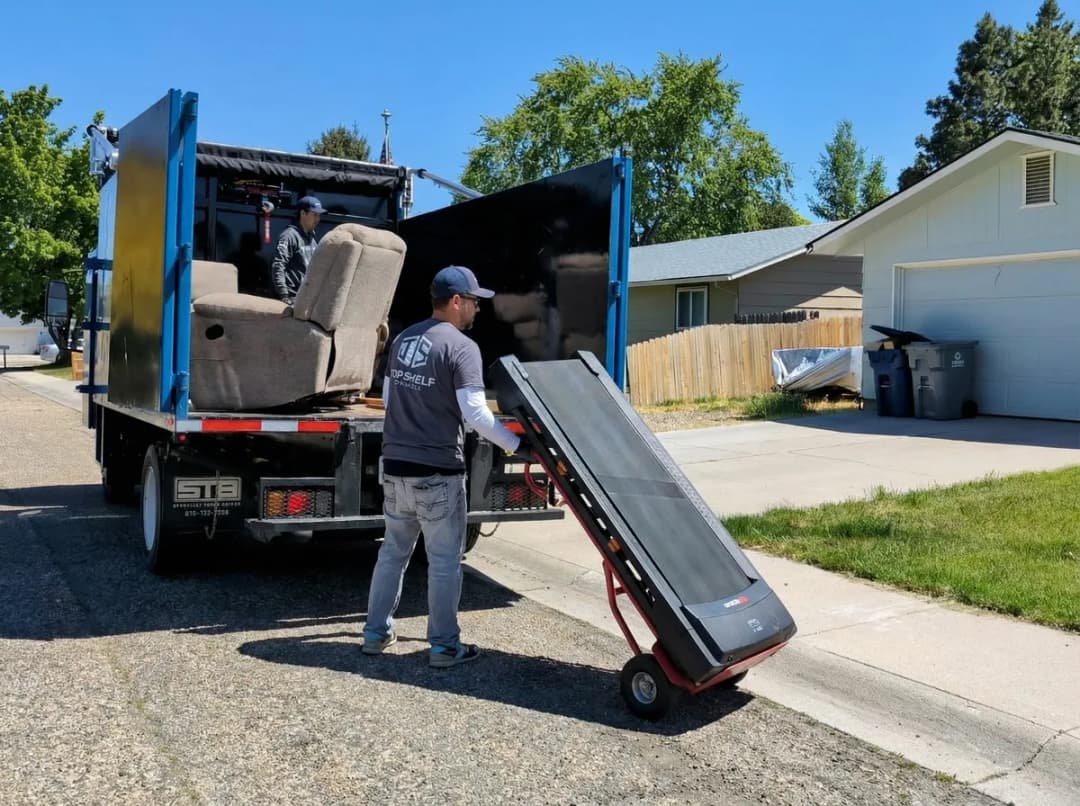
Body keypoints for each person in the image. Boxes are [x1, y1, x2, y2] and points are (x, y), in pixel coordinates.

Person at [362, 265, 531, 668]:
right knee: (443, 562)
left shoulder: (403, 340)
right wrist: (516, 445)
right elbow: (474, 413)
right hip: (436, 472)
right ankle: (443, 647)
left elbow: (387, 400)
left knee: (392, 553)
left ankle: (375, 634)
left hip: (395, 468)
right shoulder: (460, 347)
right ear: (456, 302)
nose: (477, 309)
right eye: (473, 301)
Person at [270, 195, 325, 303]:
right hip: (291, 298)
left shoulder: (312, 238)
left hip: (304, 297)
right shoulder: (289, 236)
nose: (317, 219)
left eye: (319, 215)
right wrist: (284, 294)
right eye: (314, 215)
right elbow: (278, 265)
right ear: (302, 213)